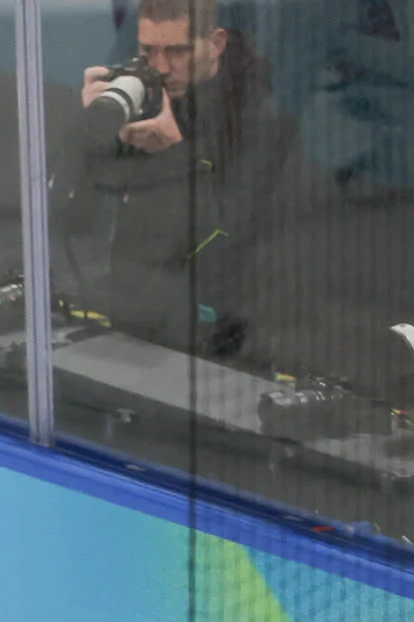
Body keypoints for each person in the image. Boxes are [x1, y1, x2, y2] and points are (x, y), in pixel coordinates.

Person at [73, 0, 309, 360]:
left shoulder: (263, 122)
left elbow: (224, 237)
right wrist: (89, 129)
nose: (161, 67)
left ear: (216, 44)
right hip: (130, 310)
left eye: (178, 52)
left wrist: (172, 154)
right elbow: (81, 202)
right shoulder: (145, 97)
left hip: (217, 337)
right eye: (148, 50)